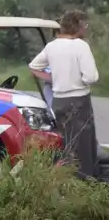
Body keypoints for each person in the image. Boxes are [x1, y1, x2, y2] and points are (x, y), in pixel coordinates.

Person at [29, 10, 100, 179]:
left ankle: (66, 179)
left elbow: (34, 66)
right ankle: (85, 182)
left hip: (59, 100)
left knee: (67, 142)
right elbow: (92, 76)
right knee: (83, 144)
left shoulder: (51, 46)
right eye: (85, 25)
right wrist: (78, 79)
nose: (86, 29)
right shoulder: (80, 46)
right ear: (78, 26)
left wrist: (53, 78)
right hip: (78, 100)